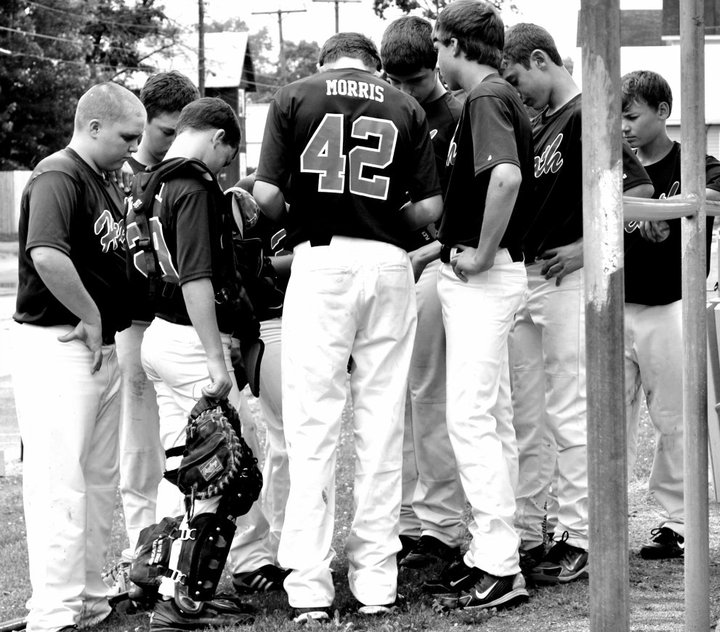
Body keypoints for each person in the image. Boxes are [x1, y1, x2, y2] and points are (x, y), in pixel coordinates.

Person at [253, 32, 443, 623]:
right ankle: (376, 584)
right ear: (375, 64)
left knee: (312, 427)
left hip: (320, 259)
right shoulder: (405, 103)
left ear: (324, 60)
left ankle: (309, 587)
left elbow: (266, 194)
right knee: (381, 426)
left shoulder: (295, 95)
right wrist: (382, 216)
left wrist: (306, 208)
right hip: (388, 262)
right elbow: (430, 208)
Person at [501, 23, 654, 584]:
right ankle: (534, 528)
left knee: (571, 409)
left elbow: (637, 191)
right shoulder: (542, 121)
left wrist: (587, 246)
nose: (516, 92)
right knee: (529, 415)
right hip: (530, 276)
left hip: (568, 279)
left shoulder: (589, 111)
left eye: (517, 78)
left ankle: (580, 535)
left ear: (541, 60)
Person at [11, 82, 145, 632]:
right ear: (93, 127)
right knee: (58, 484)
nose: (133, 147)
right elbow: (46, 254)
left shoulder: (103, 179)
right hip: (59, 344)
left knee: (97, 482)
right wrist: (90, 314)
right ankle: (53, 613)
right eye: (126, 136)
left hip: (97, 346)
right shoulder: (58, 174)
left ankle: (88, 598)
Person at [419, 0, 533, 612]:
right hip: (489, 274)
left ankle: (499, 562)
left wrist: (484, 252)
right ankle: (496, 549)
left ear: (458, 45)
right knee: (493, 418)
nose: (436, 54)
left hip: (485, 277)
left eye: (440, 43)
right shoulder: (493, 95)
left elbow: (507, 178)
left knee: (469, 417)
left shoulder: (487, 95)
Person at [128, 97, 254, 629]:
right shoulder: (195, 186)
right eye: (227, 156)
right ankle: (182, 600)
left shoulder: (151, 180)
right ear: (219, 137)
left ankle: (153, 578)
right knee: (219, 472)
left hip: (159, 333)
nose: (223, 168)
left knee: (181, 467)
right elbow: (197, 277)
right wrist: (215, 359)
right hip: (189, 340)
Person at [621, 70, 720, 559]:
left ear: (663, 112)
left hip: (671, 303)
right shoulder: (615, 165)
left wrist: (664, 210)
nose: (624, 127)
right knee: (605, 417)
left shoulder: (695, 160)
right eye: (617, 117)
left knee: (675, 417)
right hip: (615, 304)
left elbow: (713, 197)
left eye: (632, 115)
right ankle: (598, 518)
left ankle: (678, 521)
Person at [380, 15, 465, 570]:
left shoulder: (456, 114)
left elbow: (465, 207)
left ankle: (440, 524)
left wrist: (430, 252)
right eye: (396, 80)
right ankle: (409, 520)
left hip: (435, 260)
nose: (406, 90)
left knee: (430, 397)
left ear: (434, 65)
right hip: (394, 264)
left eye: (414, 80)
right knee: (396, 399)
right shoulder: (387, 111)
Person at [110, 70, 199, 593]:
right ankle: (140, 557)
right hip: (134, 323)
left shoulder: (187, 173)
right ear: (144, 122)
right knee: (140, 449)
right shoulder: (119, 172)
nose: (173, 142)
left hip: (179, 327)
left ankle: (175, 555)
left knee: (184, 449)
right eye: (166, 131)